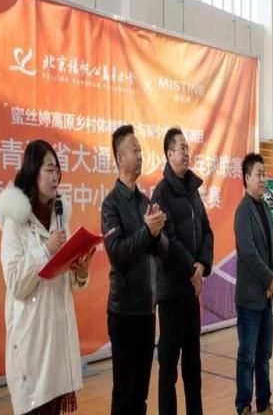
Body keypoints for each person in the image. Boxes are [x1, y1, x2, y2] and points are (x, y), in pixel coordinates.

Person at [0, 140, 94, 415]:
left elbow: (67, 281)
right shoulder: (15, 222)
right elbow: (16, 283)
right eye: (49, 170)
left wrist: (81, 272)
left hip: (57, 342)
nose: (55, 177)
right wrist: (46, 250)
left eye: (57, 170)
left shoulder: (59, 219)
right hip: (32, 342)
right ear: (33, 172)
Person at [101, 125, 168, 414]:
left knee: (140, 394)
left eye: (140, 150)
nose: (140, 155)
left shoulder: (145, 202)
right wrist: (147, 231)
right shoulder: (110, 205)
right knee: (124, 394)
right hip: (123, 312)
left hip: (146, 309)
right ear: (120, 157)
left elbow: (161, 250)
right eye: (134, 150)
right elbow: (117, 254)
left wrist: (159, 233)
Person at [153, 127, 214, 415]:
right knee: (168, 369)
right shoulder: (161, 193)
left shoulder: (193, 190)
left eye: (188, 148)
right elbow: (168, 240)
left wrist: (202, 265)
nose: (187, 153)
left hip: (191, 292)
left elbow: (207, 231)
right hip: (171, 293)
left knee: (193, 366)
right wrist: (192, 270)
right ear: (169, 154)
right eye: (181, 148)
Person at [234, 153, 273, 415]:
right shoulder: (243, 211)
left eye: (264, 174)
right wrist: (269, 278)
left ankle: (264, 401)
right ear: (247, 178)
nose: (263, 179)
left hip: (267, 295)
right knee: (247, 356)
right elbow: (248, 252)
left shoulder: (265, 207)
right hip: (250, 297)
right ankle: (243, 404)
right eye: (258, 174)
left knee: (264, 354)